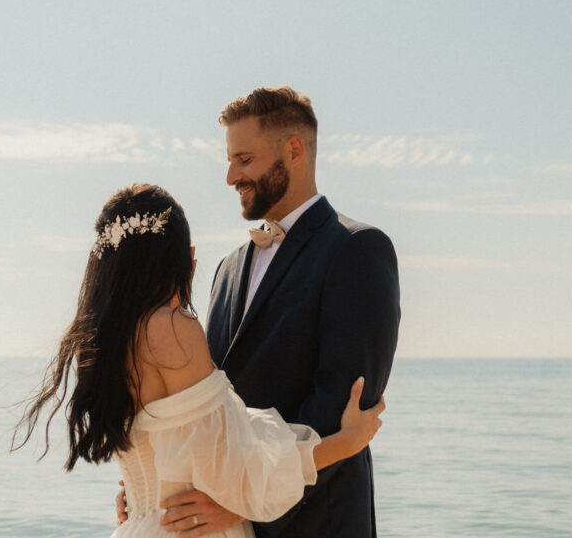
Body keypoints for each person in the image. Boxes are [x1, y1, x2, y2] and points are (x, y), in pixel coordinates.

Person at [12, 183, 387, 538]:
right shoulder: (174, 329)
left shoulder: (97, 341)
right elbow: (236, 469)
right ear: (181, 258)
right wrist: (349, 440)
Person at [151, 87, 401, 537]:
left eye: (244, 160)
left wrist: (243, 502)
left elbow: (340, 409)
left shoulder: (358, 250)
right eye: (229, 160)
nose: (230, 176)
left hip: (316, 523)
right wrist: (157, 488)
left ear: (294, 150)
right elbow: (208, 403)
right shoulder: (228, 267)